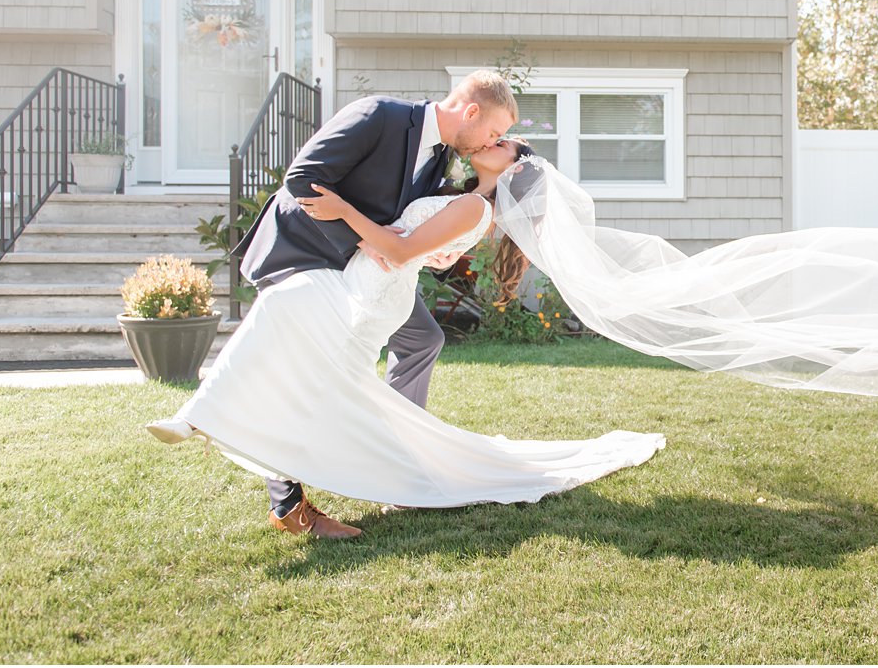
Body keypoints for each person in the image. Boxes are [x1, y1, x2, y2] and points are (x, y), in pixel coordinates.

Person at [147, 138, 666, 538]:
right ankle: (217, 430)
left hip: (377, 290)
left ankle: (221, 430)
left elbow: (398, 249)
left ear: (511, 170)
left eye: (506, 144)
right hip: (367, 280)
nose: (496, 140)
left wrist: (347, 215)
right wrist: (417, 247)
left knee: (300, 349)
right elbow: (414, 242)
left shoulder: (474, 209)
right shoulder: (463, 196)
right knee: (291, 336)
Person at [217, 69, 520, 536]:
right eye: (494, 133)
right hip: (307, 253)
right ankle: (288, 502)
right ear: (472, 111)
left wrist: (424, 248)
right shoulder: (379, 115)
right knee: (309, 368)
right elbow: (302, 180)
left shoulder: (443, 158)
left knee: (422, 337)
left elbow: (412, 227)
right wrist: (365, 242)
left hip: (366, 274)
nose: (489, 143)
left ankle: (396, 456)